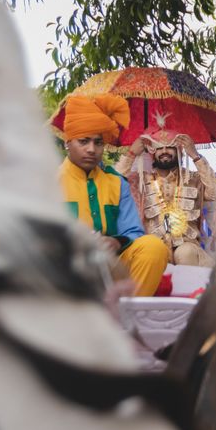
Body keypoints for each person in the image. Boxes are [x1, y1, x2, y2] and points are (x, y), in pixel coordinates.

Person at [55, 94, 168, 296]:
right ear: (67, 142)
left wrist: (116, 242)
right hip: (68, 271)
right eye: (83, 141)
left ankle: (128, 314)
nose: (91, 149)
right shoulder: (48, 181)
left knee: (153, 247)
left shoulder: (116, 182)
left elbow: (134, 232)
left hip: (111, 269)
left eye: (98, 143)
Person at [115, 117, 216, 267]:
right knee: (154, 253)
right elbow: (114, 184)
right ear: (152, 153)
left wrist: (195, 156)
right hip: (155, 251)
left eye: (169, 147)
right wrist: (131, 154)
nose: (164, 151)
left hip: (190, 252)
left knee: (185, 253)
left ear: (179, 150)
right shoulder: (141, 181)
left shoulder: (193, 178)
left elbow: (215, 192)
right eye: (159, 148)